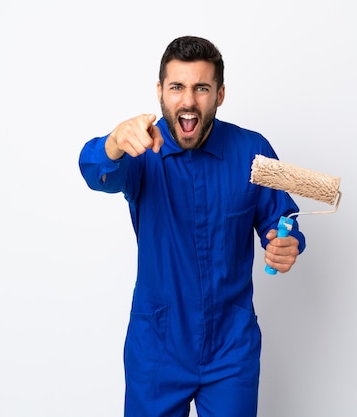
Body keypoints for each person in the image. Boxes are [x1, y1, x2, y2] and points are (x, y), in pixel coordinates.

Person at [78, 35, 306, 417]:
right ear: (160, 93)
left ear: (219, 94)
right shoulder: (140, 152)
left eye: (201, 88)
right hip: (157, 347)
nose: (188, 100)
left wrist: (289, 243)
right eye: (177, 87)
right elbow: (93, 170)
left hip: (231, 349)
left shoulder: (256, 150)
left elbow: (284, 219)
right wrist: (115, 141)